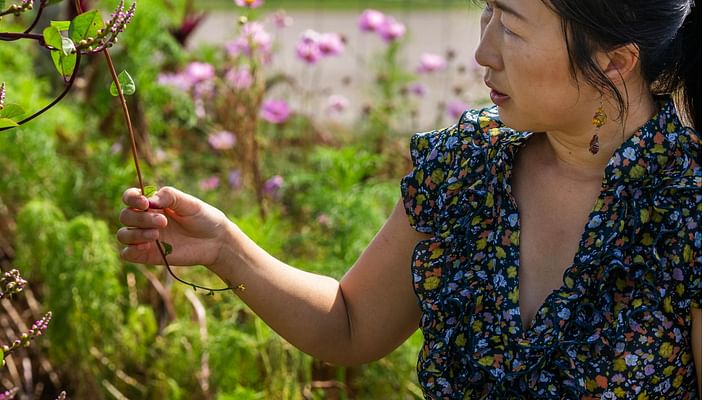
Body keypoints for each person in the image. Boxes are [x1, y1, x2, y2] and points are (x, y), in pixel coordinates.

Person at [117, 0, 701, 397]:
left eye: (514, 27)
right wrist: (225, 247)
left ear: (616, 60)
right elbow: (350, 324)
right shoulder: (467, 164)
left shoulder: (694, 209)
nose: (484, 53)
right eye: (487, 13)